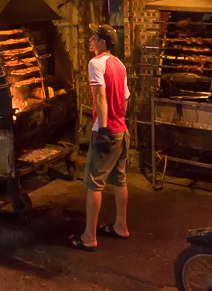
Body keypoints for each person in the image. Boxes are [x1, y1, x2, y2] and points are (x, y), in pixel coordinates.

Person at [69, 23, 130, 252]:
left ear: (103, 42)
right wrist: (118, 122)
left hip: (106, 132)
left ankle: (89, 237)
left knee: (94, 185)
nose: (90, 40)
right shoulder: (120, 64)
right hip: (122, 131)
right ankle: (121, 226)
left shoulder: (96, 63)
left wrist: (103, 130)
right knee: (120, 180)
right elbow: (125, 99)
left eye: (93, 37)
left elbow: (100, 98)